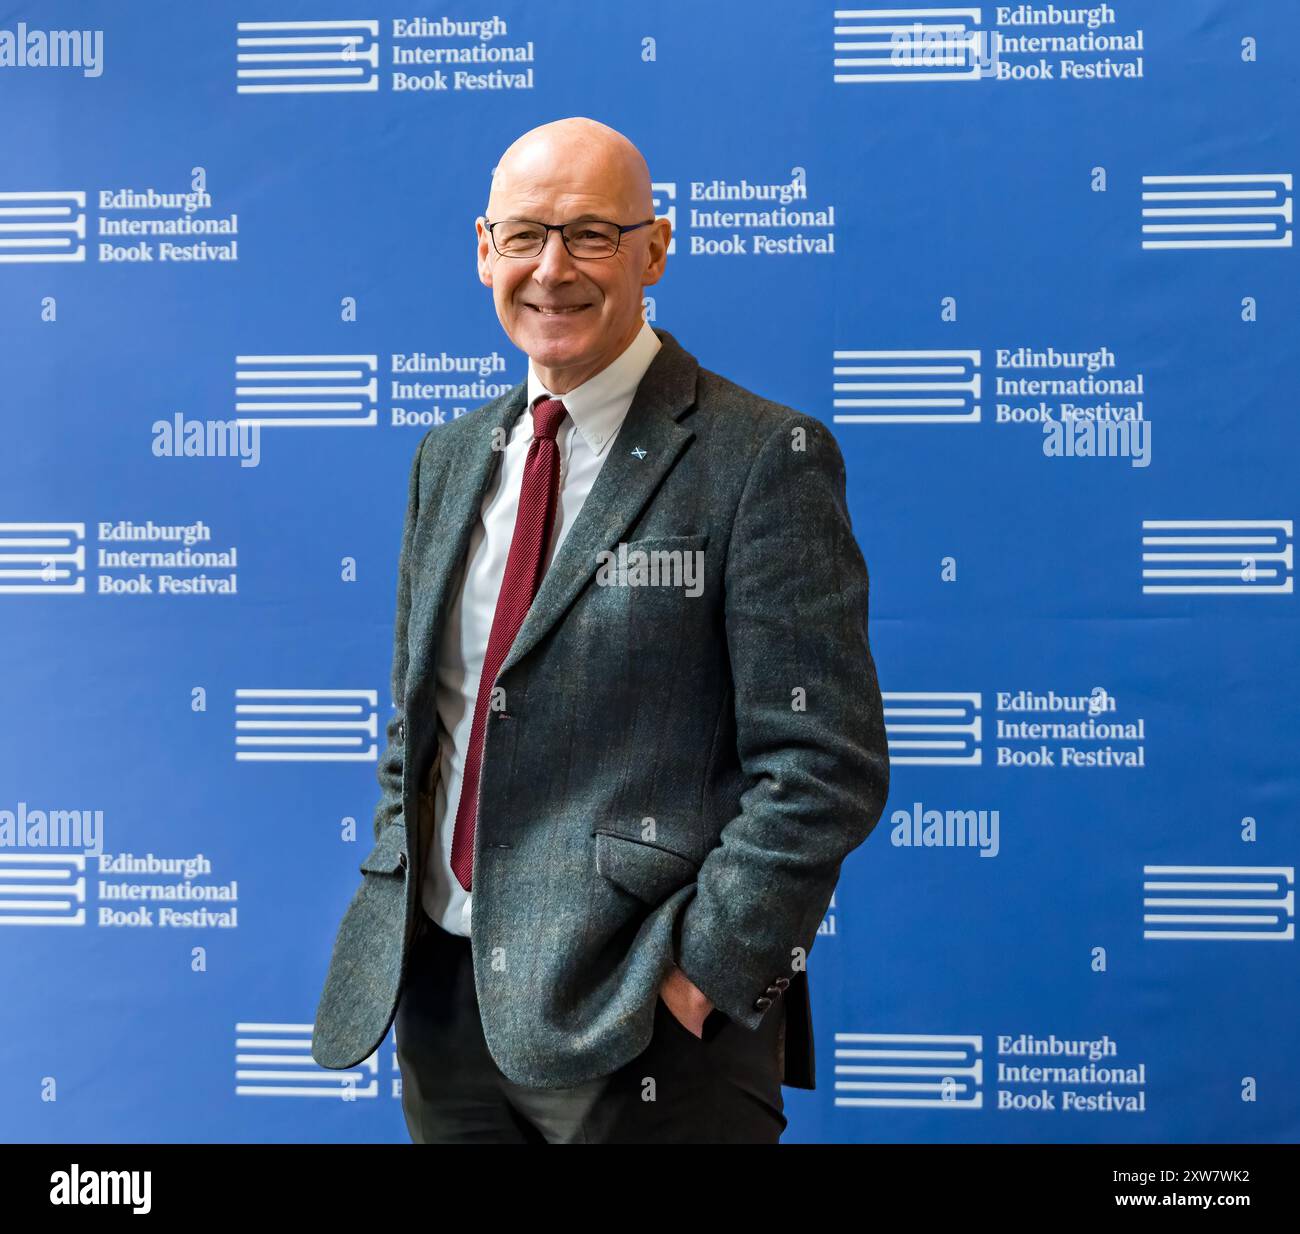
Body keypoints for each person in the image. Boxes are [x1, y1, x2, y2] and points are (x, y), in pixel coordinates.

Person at [311, 116, 890, 1143]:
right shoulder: (446, 458)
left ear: (653, 249)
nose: (552, 269)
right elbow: (427, 725)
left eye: (590, 234)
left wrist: (702, 972)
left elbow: (822, 764)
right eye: (526, 235)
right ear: (483, 249)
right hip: (446, 1000)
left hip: (647, 1023)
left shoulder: (762, 457)